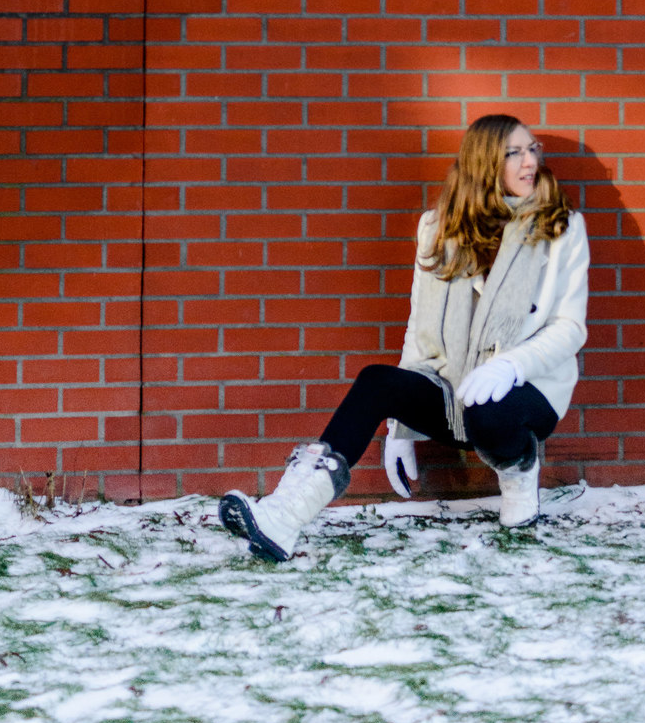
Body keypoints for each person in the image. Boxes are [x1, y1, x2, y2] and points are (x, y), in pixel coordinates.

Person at [218, 113, 589, 561]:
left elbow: (570, 328)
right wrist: (401, 426)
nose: (530, 161)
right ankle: (285, 514)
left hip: (528, 392)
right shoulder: (437, 229)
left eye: (533, 150)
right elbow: (421, 324)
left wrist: (511, 365)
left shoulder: (561, 227)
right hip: (455, 389)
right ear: (484, 163)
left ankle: (519, 469)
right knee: (377, 381)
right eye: (515, 152)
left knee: (490, 408)